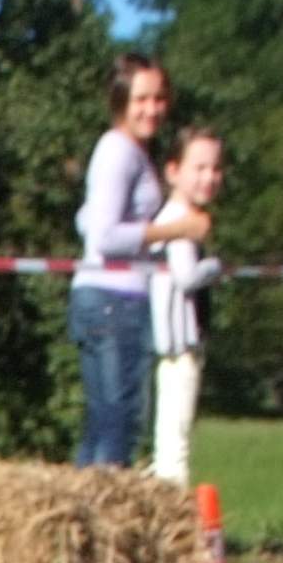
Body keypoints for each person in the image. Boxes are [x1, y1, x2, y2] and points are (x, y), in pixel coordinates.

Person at [73, 55, 214, 468]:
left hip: (104, 299)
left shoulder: (128, 152)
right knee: (118, 428)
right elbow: (105, 237)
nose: (152, 109)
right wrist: (178, 229)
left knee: (103, 426)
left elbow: (86, 219)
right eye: (141, 99)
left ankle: (82, 508)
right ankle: (103, 510)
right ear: (120, 100)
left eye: (159, 99)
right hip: (114, 302)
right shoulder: (119, 152)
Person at [146, 130, 224, 486]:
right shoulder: (180, 220)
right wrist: (216, 268)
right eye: (199, 168)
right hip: (179, 344)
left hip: (173, 342)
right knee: (175, 443)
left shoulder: (172, 216)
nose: (209, 177)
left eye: (216, 168)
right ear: (173, 171)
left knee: (170, 435)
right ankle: (174, 505)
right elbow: (187, 276)